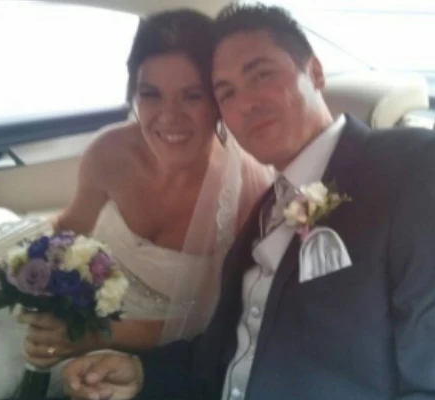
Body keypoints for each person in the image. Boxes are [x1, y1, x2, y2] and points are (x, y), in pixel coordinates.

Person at [61, 4, 435, 400]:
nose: (246, 103)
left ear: (315, 72)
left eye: (261, 75)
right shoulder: (265, 209)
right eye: (226, 93)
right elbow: (224, 351)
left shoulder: (421, 168)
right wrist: (142, 372)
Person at [15, 8, 273, 393]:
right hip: (78, 311)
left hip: (157, 355)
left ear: (218, 101)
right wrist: (16, 271)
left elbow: (213, 323)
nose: (169, 117)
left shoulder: (248, 193)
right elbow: (68, 229)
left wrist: (92, 336)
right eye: (151, 95)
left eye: (192, 96)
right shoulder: (109, 151)